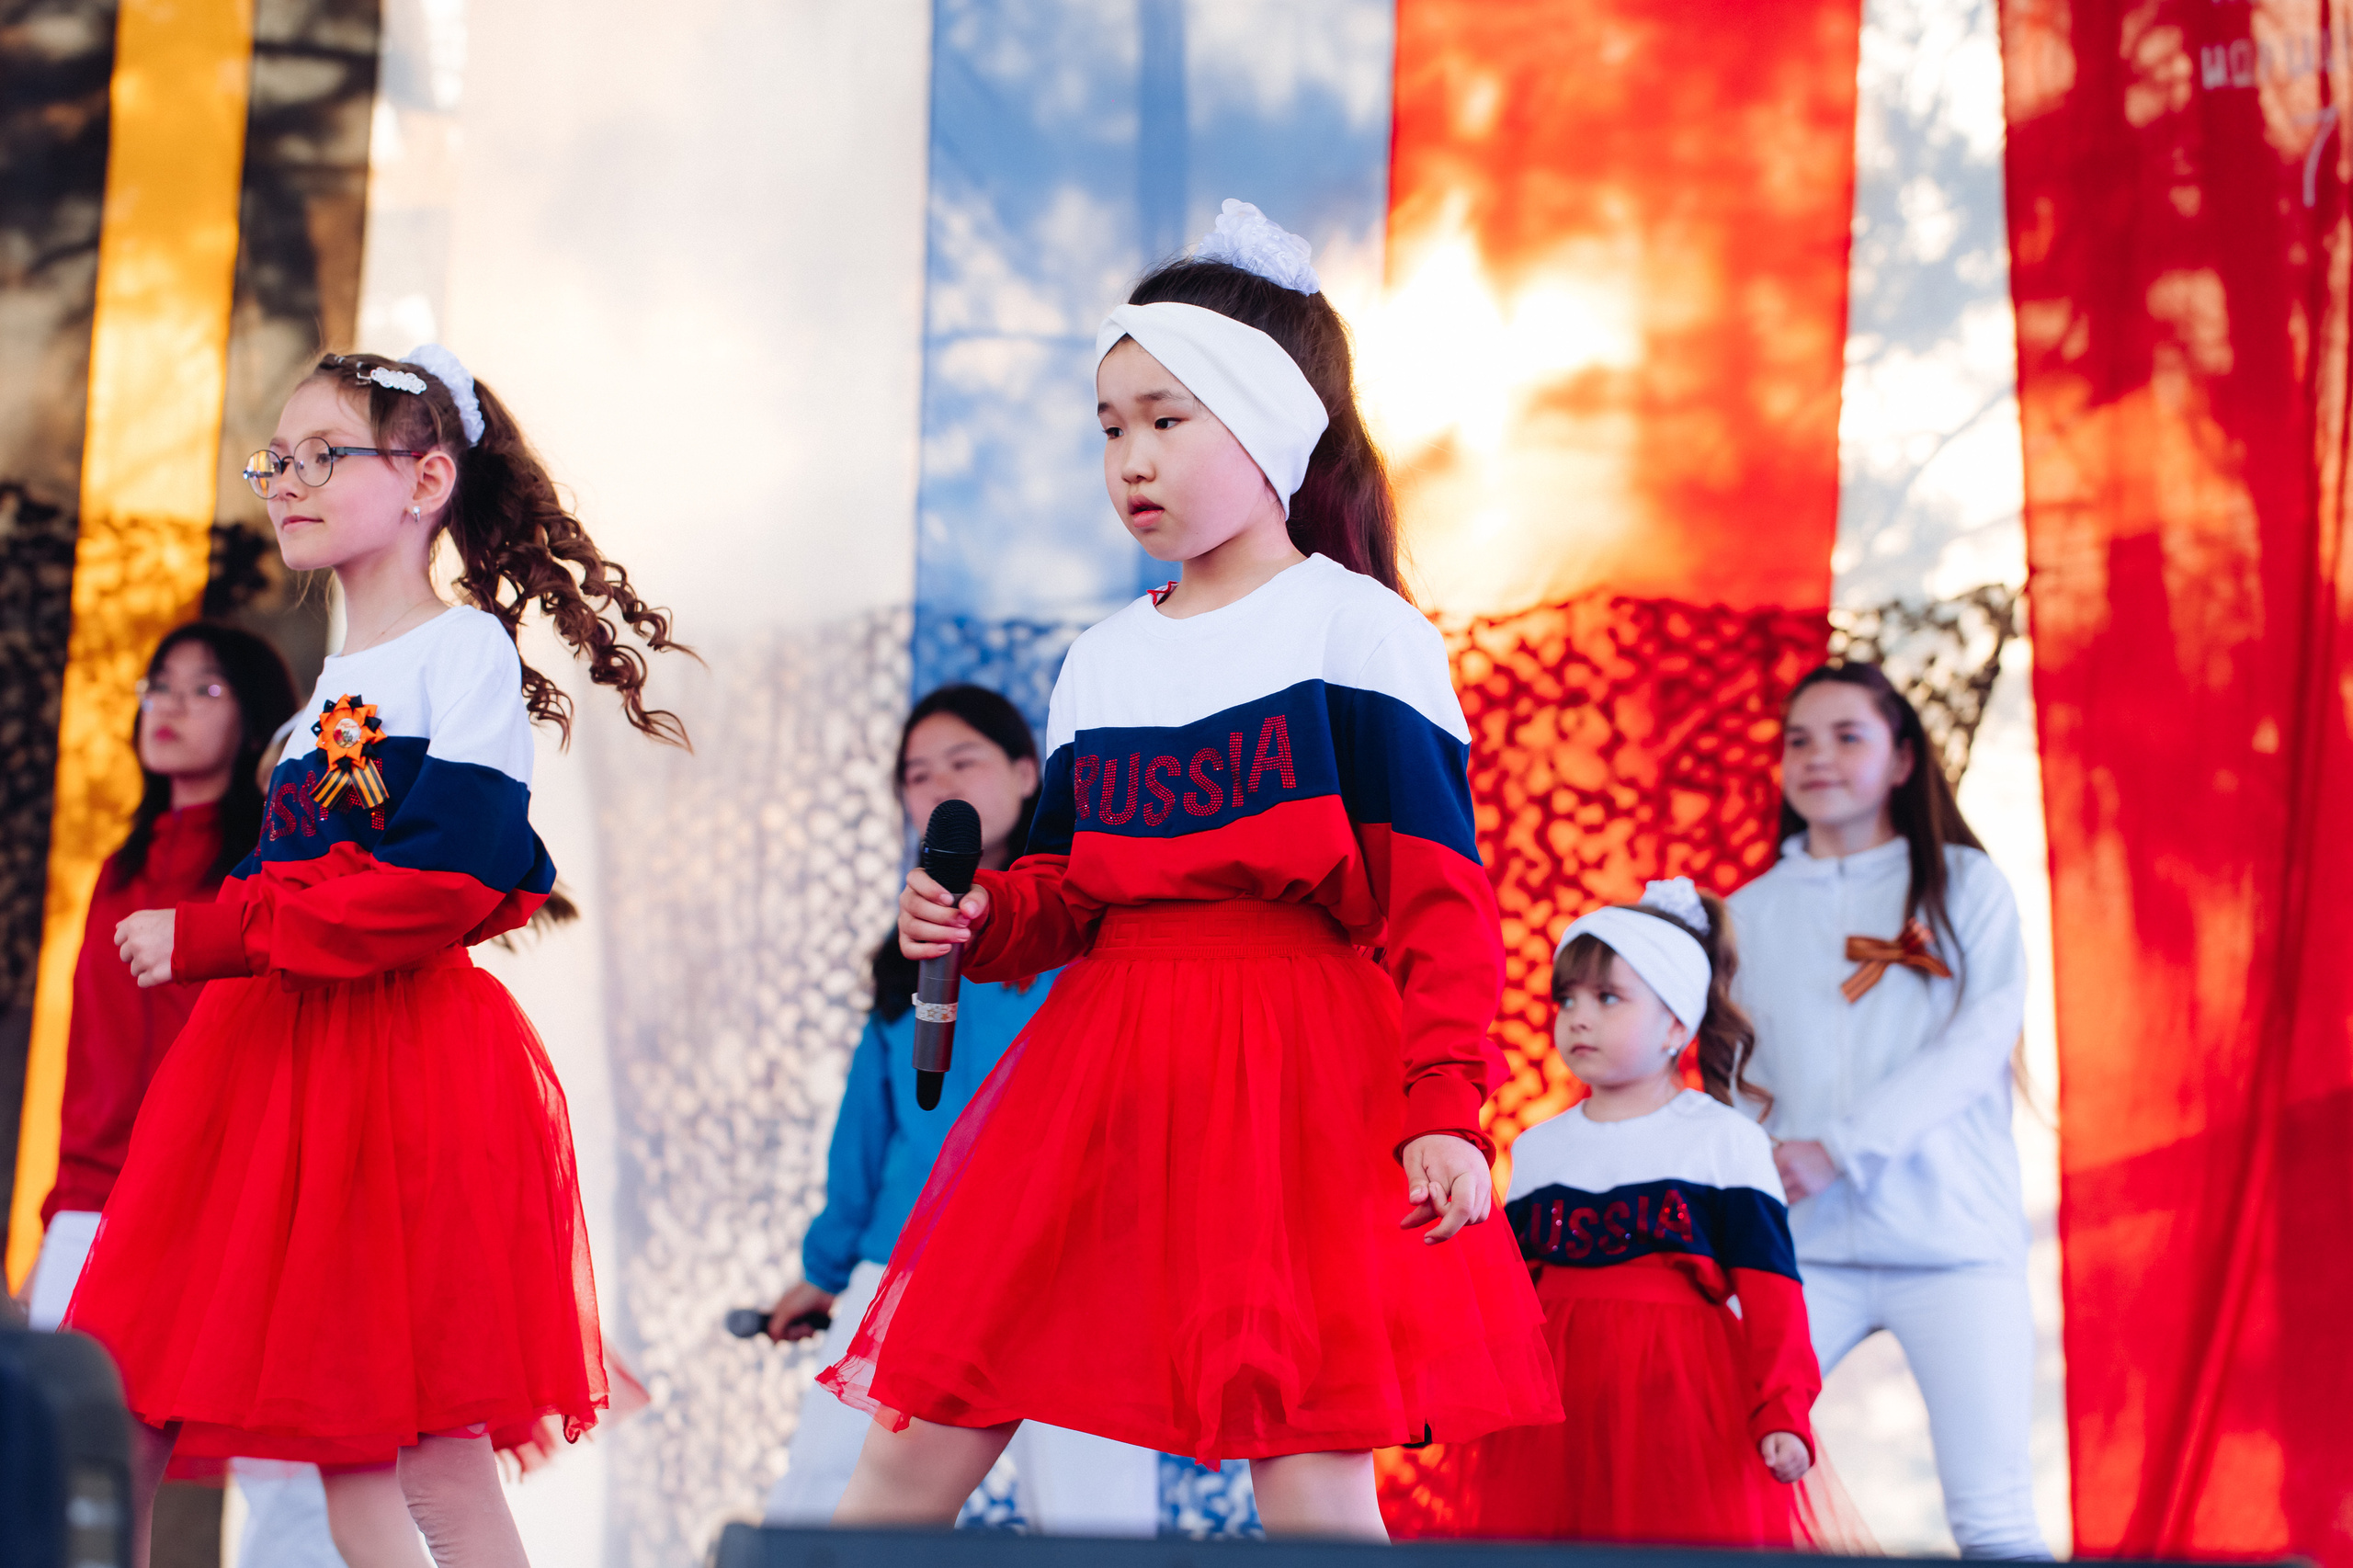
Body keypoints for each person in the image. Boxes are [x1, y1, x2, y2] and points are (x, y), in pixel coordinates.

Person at [818, 200, 1558, 1539]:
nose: (1131, 459)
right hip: (1103, 1075)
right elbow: (1071, 895)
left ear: (1269, 427)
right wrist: (983, 910)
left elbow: (1442, 900)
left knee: (1314, 1476)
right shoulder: (1105, 658)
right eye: (1110, 427)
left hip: (1298, 1083)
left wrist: (1447, 1099)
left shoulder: (1361, 631)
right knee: (919, 1431)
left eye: (1168, 418)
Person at [66, 345, 689, 1568]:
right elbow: (314, 872)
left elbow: (445, 880)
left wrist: (217, 929)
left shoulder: (456, 656)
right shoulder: (330, 689)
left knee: (420, 1462)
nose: (285, 480)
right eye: (276, 459)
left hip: (391, 1069)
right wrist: (237, 918)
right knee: (152, 1406)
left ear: (425, 479)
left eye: (321, 454)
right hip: (269, 1074)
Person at [758, 684, 1161, 1533]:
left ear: (1027, 775)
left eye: (963, 761)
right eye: (916, 773)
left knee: (1098, 1517)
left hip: (1070, 1268)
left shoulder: (1102, 938)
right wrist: (826, 1272)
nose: (938, 784)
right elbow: (869, 1132)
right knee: (828, 1498)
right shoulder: (905, 956)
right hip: (909, 1260)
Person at [1727, 661, 2049, 1559]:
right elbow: (1724, 1068)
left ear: (1903, 758)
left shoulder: (1963, 885)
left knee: (1992, 1518)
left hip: (1953, 1246)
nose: (1816, 757)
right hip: (1803, 1253)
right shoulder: (1745, 912)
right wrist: (1758, 1166)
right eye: (1798, 739)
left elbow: (1982, 1035)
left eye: (1845, 735)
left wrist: (1837, 1146)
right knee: (1730, 1482)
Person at [1450, 878, 1827, 1546]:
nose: (1578, 1017)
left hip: (1681, 1401)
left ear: (1676, 1024)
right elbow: (1510, 1301)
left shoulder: (1722, 1141)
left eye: (1607, 997)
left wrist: (1783, 1411)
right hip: (1559, 1410)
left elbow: (1773, 1296)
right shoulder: (1539, 1150)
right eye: (1566, 1000)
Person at [28, 623, 297, 1328]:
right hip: (91, 1210)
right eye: (158, 688)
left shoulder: (264, 875)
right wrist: (58, 1224)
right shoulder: (119, 873)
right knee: (66, 1432)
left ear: (253, 723)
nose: (168, 708)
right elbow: (89, 1065)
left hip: (218, 1213)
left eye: (205, 688)